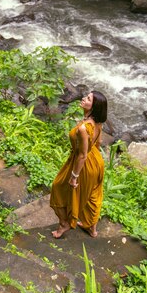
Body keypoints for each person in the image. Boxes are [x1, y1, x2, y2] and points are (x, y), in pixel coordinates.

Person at [50, 90, 108, 239]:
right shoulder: (97, 122)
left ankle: (64, 224)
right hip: (96, 161)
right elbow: (98, 142)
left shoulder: (83, 128)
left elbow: (82, 155)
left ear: (93, 107)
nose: (83, 98)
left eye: (88, 98)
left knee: (57, 187)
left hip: (83, 164)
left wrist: (74, 177)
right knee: (92, 195)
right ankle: (92, 229)